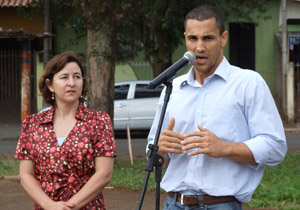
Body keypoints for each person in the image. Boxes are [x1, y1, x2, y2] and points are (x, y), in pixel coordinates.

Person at [147, 5, 287, 210]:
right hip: (173, 203)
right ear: (185, 38)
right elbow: (155, 155)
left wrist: (225, 148)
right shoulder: (173, 88)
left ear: (223, 38)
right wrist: (160, 149)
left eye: (208, 38)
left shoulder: (248, 83)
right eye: (193, 38)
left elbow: (275, 147)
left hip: (221, 205)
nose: (199, 47)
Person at [15, 51, 116, 210]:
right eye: (64, 77)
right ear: (50, 85)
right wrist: (49, 205)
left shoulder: (98, 121)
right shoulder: (33, 124)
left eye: (77, 77)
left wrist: (68, 207)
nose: (72, 83)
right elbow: (26, 175)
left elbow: (104, 174)